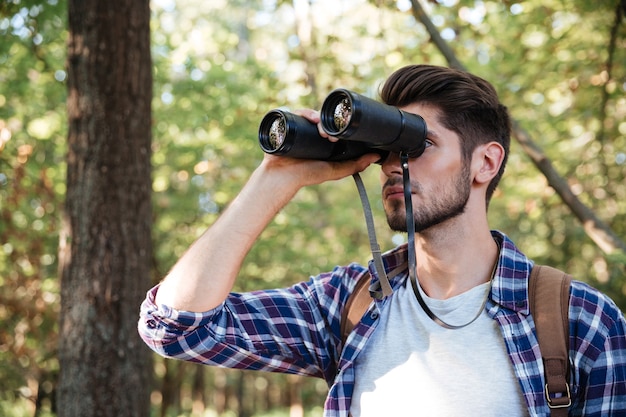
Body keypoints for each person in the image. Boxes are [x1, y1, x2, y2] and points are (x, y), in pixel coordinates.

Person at [138, 64, 626, 416]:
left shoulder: (579, 320)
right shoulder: (346, 303)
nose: (395, 163)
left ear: (486, 163)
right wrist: (277, 178)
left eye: (420, 144)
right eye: (390, 147)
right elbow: (177, 327)